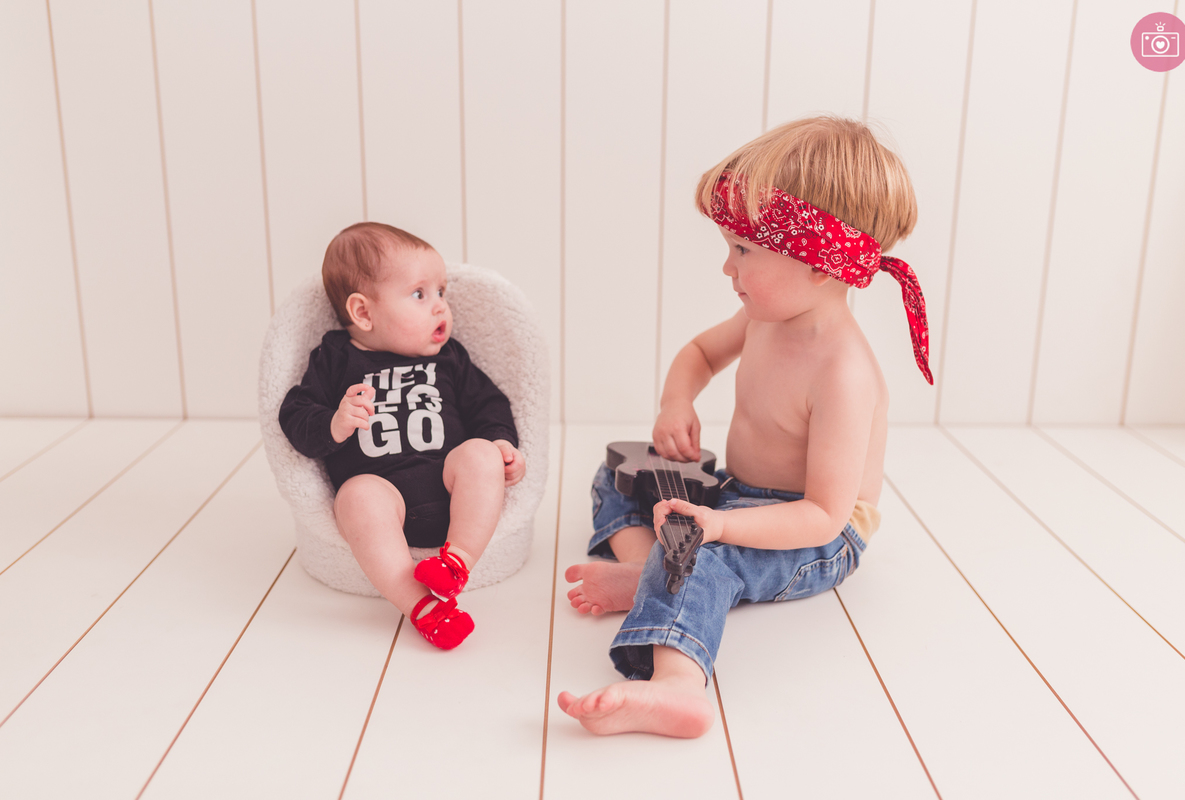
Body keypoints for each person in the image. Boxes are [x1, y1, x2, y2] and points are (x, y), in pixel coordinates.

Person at [558, 116, 931, 737]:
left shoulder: (843, 372)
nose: (727, 269)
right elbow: (699, 355)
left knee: (707, 554)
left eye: (743, 251)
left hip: (813, 534)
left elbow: (824, 515)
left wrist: (723, 526)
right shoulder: (765, 318)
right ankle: (654, 569)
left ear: (819, 264)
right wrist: (676, 402)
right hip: (738, 493)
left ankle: (678, 686)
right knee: (621, 473)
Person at [279, 222, 525, 650]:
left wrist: (501, 444)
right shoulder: (335, 357)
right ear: (363, 312)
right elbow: (294, 416)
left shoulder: (449, 358)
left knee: (479, 454)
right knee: (355, 496)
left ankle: (456, 563)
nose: (440, 308)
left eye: (442, 293)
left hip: (452, 492)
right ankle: (424, 608)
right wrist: (335, 422)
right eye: (419, 294)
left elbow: (489, 404)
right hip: (383, 500)